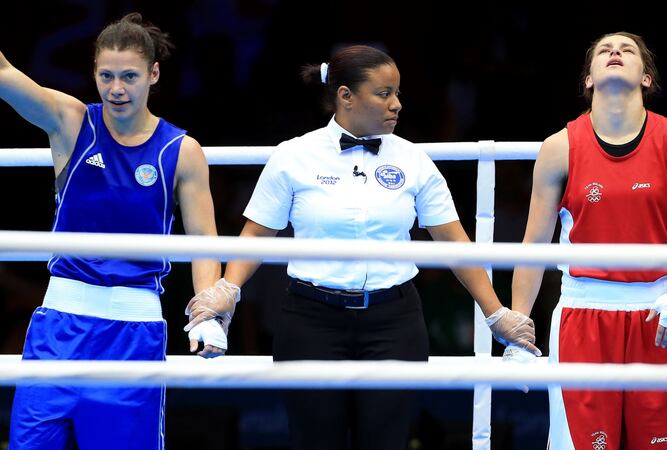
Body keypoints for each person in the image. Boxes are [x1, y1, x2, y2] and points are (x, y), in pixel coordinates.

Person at [182, 44, 539, 450]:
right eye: (384, 93)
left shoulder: (414, 161)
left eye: (398, 93)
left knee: (388, 442)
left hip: (394, 322)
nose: (397, 104)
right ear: (345, 96)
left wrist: (496, 314)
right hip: (310, 321)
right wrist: (228, 289)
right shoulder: (293, 156)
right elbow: (257, 235)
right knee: (314, 442)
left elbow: (455, 244)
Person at [0, 13, 225, 450]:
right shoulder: (70, 121)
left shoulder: (181, 151)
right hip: (58, 327)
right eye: (106, 76)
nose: (117, 88)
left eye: (129, 76)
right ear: (94, 73)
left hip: (132, 332)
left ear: (153, 74)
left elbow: (204, 243)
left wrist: (208, 314)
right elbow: (4, 74)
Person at [510, 32, 667, 450]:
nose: (615, 52)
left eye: (627, 49)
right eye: (604, 49)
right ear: (587, 79)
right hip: (583, 316)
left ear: (647, 78)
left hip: (662, 316)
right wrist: (520, 327)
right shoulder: (559, 148)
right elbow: (533, 246)